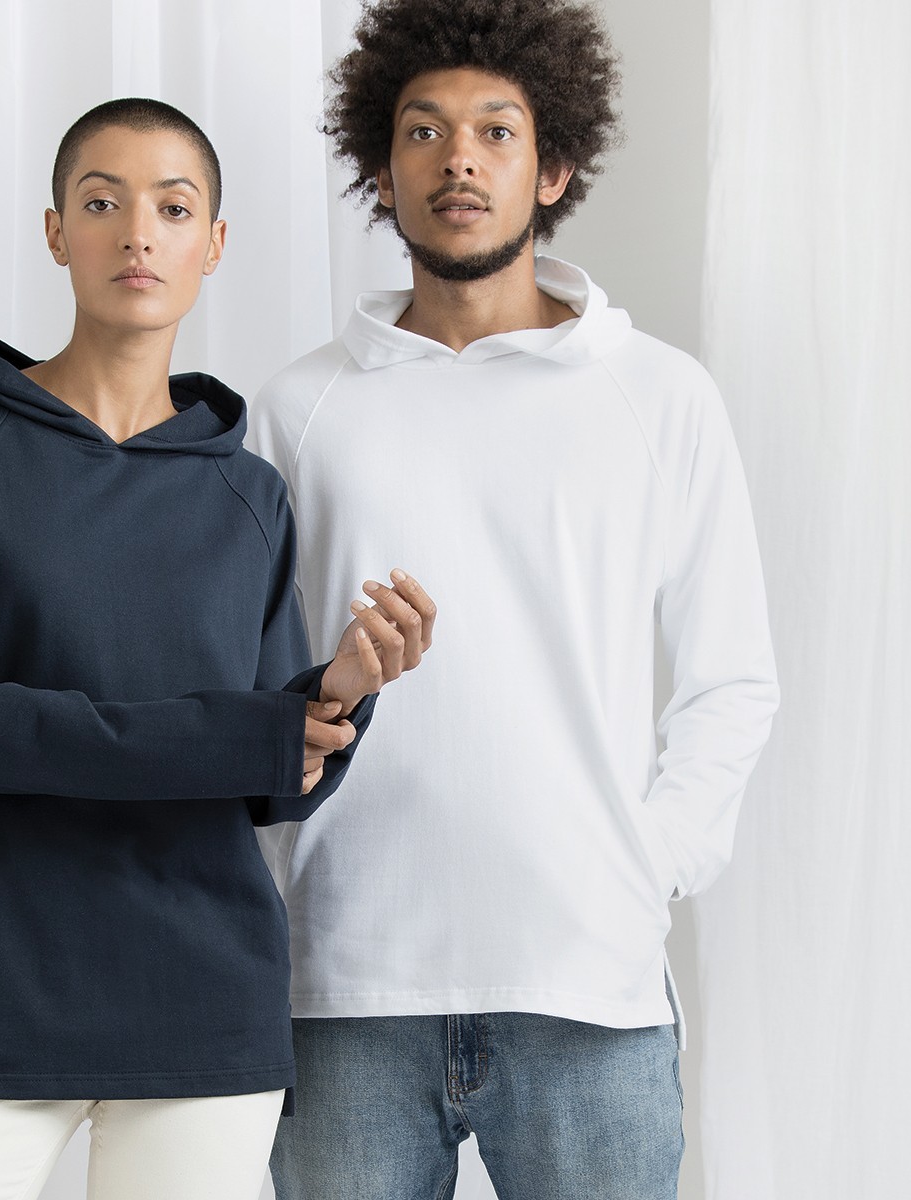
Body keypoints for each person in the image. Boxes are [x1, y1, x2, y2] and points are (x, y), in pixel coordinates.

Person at [0, 98, 434, 1200]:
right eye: (103, 203)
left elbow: (268, 782)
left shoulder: (248, 493)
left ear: (215, 243)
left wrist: (337, 695)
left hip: (203, 1001)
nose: (138, 235)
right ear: (56, 231)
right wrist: (232, 738)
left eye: (174, 208)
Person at [246, 1, 779, 1197]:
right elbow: (246, 684)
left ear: (555, 168)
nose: (459, 160)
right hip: (344, 988)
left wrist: (647, 860)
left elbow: (732, 675)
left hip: (589, 988)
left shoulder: (660, 397)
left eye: (496, 130)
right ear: (381, 170)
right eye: (423, 131)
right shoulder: (299, 409)